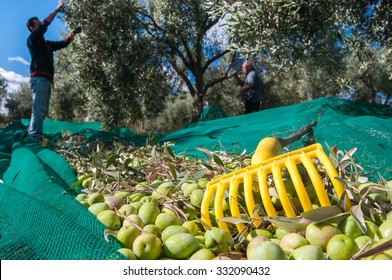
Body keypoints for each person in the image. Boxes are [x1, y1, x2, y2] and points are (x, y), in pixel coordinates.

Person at [25, 1, 80, 141]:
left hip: (46, 81)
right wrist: (57, 10)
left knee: (42, 110)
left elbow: (64, 43)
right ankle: (34, 136)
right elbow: (44, 25)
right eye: (37, 24)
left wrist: (73, 33)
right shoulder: (32, 40)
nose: (40, 25)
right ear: (32, 28)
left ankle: (33, 132)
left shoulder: (47, 44)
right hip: (39, 79)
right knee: (38, 109)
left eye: (39, 23)